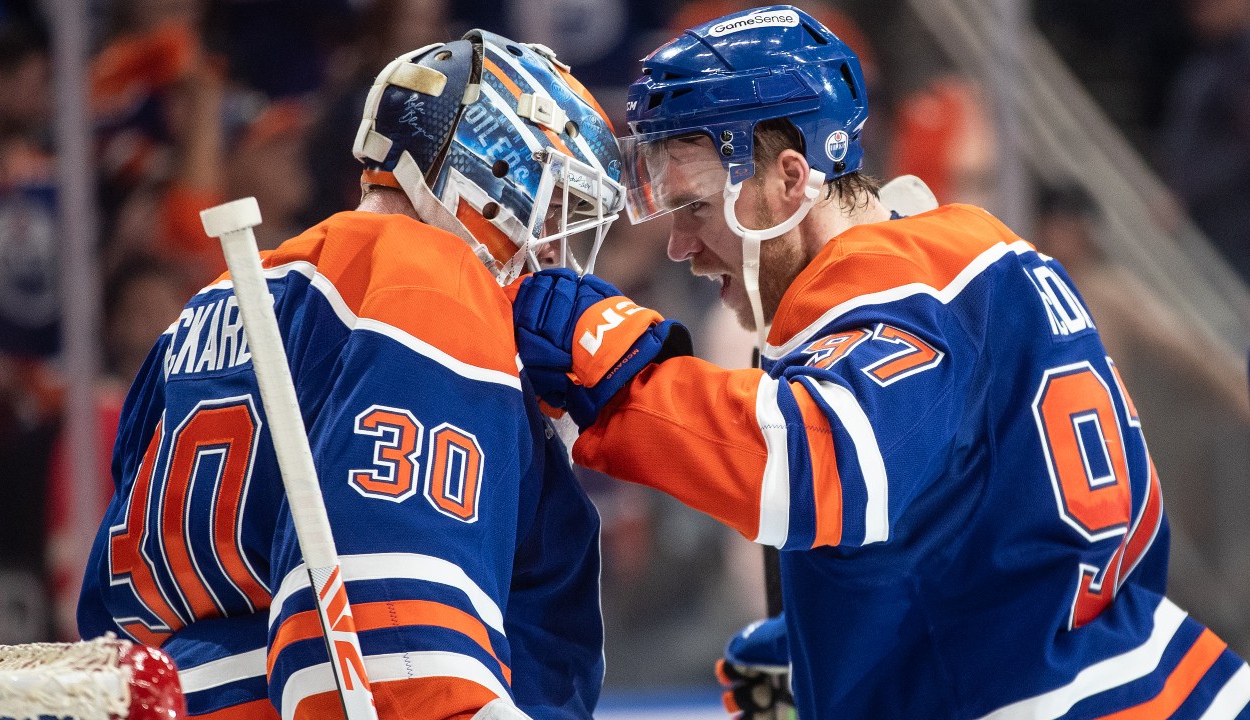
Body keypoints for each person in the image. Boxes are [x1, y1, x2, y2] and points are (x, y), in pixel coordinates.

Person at [510, 5, 1250, 718]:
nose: (680, 247)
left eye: (695, 208)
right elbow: (974, 503)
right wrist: (846, 642)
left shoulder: (882, 282)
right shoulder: (967, 252)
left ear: (790, 180)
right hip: (1147, 675)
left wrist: (620, 372)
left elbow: (817, 465)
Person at [78, 29, 625, 719]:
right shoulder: (428, 280)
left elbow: (108, 612)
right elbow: (393, 641)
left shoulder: (211, 304)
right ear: (486, 180)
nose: (548, 249)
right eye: (551, 211)